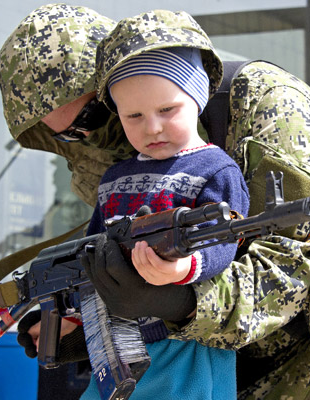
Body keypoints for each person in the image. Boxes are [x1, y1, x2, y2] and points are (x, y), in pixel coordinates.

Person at [0, 5, 310, 399]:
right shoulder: (114, 159)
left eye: (92, 117)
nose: (91, 137)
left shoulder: (267, 103)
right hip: (223, 354)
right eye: (68, 134)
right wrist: (93, 320)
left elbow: (289, 267)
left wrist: (181, 301)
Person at [80, 44, 250, 399]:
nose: (152, 127)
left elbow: (224, 238)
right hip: (115, 346)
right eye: (134, 116)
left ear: (198, 98)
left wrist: (184, 269)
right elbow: (91, 251)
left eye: (167, 109)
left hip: (184, 341)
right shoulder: (113, 177)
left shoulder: (215, 169)